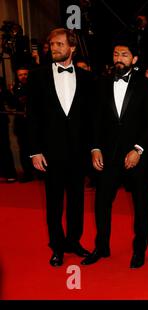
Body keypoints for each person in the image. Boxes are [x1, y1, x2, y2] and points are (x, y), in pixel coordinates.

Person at [81, 39, 148, 268]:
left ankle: (139, 250)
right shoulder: (101, 83)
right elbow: (93, 120)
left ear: (134, 60)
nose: (119, 58)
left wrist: (138, 150)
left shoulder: (145, 85)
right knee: (102, 204)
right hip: (108, 157)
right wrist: (94, 148)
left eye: (124, 54)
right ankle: (101, 246)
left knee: (141, 206)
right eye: (116, 54)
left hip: (136, 157)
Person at [27, 28, 93, 266]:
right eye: (51, 44)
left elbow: (91, 118)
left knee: (77, 201)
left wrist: (93, 148)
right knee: (54, 203)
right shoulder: (37, 77)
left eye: (59, 44)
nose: (53, 48)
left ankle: (74, 241)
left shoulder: (86, 78)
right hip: (50, 153)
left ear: (72, 47)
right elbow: (32, 117)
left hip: (78, 152)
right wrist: (35, 151)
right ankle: (57, 247)